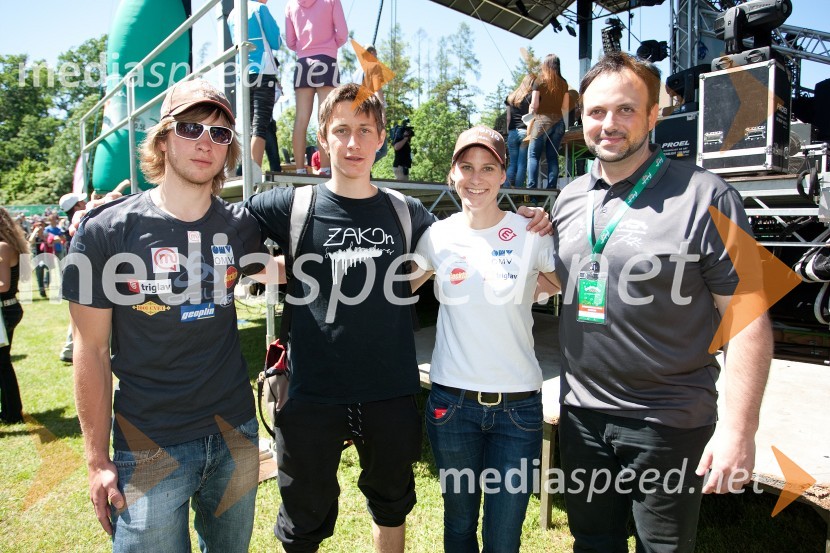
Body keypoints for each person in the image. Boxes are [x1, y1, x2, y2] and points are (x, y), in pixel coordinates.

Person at [244, 83, 551, 553]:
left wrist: (530, 222)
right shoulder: (292, 205)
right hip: (311, 392)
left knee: (391, 504)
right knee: (303, 518)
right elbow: (224, 229)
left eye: (364, 130)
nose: (352, 143)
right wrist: (275, 270)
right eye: (341, 130)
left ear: (381, 138)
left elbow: (472, 234)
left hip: (388, 390)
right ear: (322, 137)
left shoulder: (408, 214)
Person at [550, 51, 772, 552]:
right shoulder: (567, 199)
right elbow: (557, 283)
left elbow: (748, 320)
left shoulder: (707, 196)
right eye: (596, 112)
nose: (609, 124)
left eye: (626, 110)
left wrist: (739, 429)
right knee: (592, 542)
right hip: (582, 415)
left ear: (654, 116)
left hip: (668, 420)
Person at [62, 79, 269, 552]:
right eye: (191, 127)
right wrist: (96, 461)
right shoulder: (106, 232)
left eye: (220, 134)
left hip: (235, 434)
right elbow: (90, 350)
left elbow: (274, 271)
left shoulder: (241, 227)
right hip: (148, 444)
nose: (205, 142)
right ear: (162, 138)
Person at [410, 126, 558, 552]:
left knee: (504, 535)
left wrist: (536, 287)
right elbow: (400, 288)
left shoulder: (530, 230)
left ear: (503, 174)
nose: (476, 178)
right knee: (458, 525)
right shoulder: (437, 235)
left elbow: (563, 276)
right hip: (452, 407)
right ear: (452, 174)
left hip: (519, 410)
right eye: (466, 167)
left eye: (488, 168)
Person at [285, 0, 348, 175]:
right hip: (326, 60)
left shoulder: (291, 5)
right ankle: (326, 168)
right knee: (325, 118)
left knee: (301, 119)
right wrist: (329, 44)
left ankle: (299, 169)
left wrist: (304, 47)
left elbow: (290, 41)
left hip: (303, 63)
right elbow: (342, 34)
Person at [228, 0, 283, 176]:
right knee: (260, 125)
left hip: (243, 74)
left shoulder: (232, 14)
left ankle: (244, 172)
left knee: (248, 126)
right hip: (263, 71)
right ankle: (253, 173)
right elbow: (276, 42)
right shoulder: (260, 9)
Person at [0, 207, 28, 424]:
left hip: (4, 309)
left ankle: (11, 412)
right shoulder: (9, 245)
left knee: (2, 363)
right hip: (8, 307)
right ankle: (10, 410)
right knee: (3, 362)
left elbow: (3, 285)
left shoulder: (2, 247)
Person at [526, 54, 569, 190]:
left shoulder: (540, 81)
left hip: (542, 121)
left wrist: (529, 117)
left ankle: (531, 189)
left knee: (533, 155)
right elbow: (565, 107)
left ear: (545, 65)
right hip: (559, 122)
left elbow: (534, 105)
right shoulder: (564, 83)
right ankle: (551, 187)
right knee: (552, 156)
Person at [57, 193, 88, 363]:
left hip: (76, 272)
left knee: (78, 316)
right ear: (76, 206)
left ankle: (69, 348)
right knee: (83, 316)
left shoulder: (70, 224)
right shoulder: (81, 223)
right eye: (81, 201)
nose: (85, 203)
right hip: (83, 273)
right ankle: (70, 349)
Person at [505, 74, 535, 188]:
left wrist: (509, 132)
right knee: (522, 163)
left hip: (512, 132)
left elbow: (508, 118)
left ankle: (506, 188)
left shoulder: (510, 97)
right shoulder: (531, 96)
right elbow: (532, 115)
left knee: (512, 163)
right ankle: (518, 189)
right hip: (525, 132)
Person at [27, 217, 48, 298]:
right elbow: (30, 241)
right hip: (36, 258)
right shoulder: (33, 235)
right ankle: (42, 290)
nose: (40, 227)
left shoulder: (45, 234)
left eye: (41, 225)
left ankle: (46, 283)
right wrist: (35, 232)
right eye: (38, 225)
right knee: (39, 272)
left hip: (47, 257)